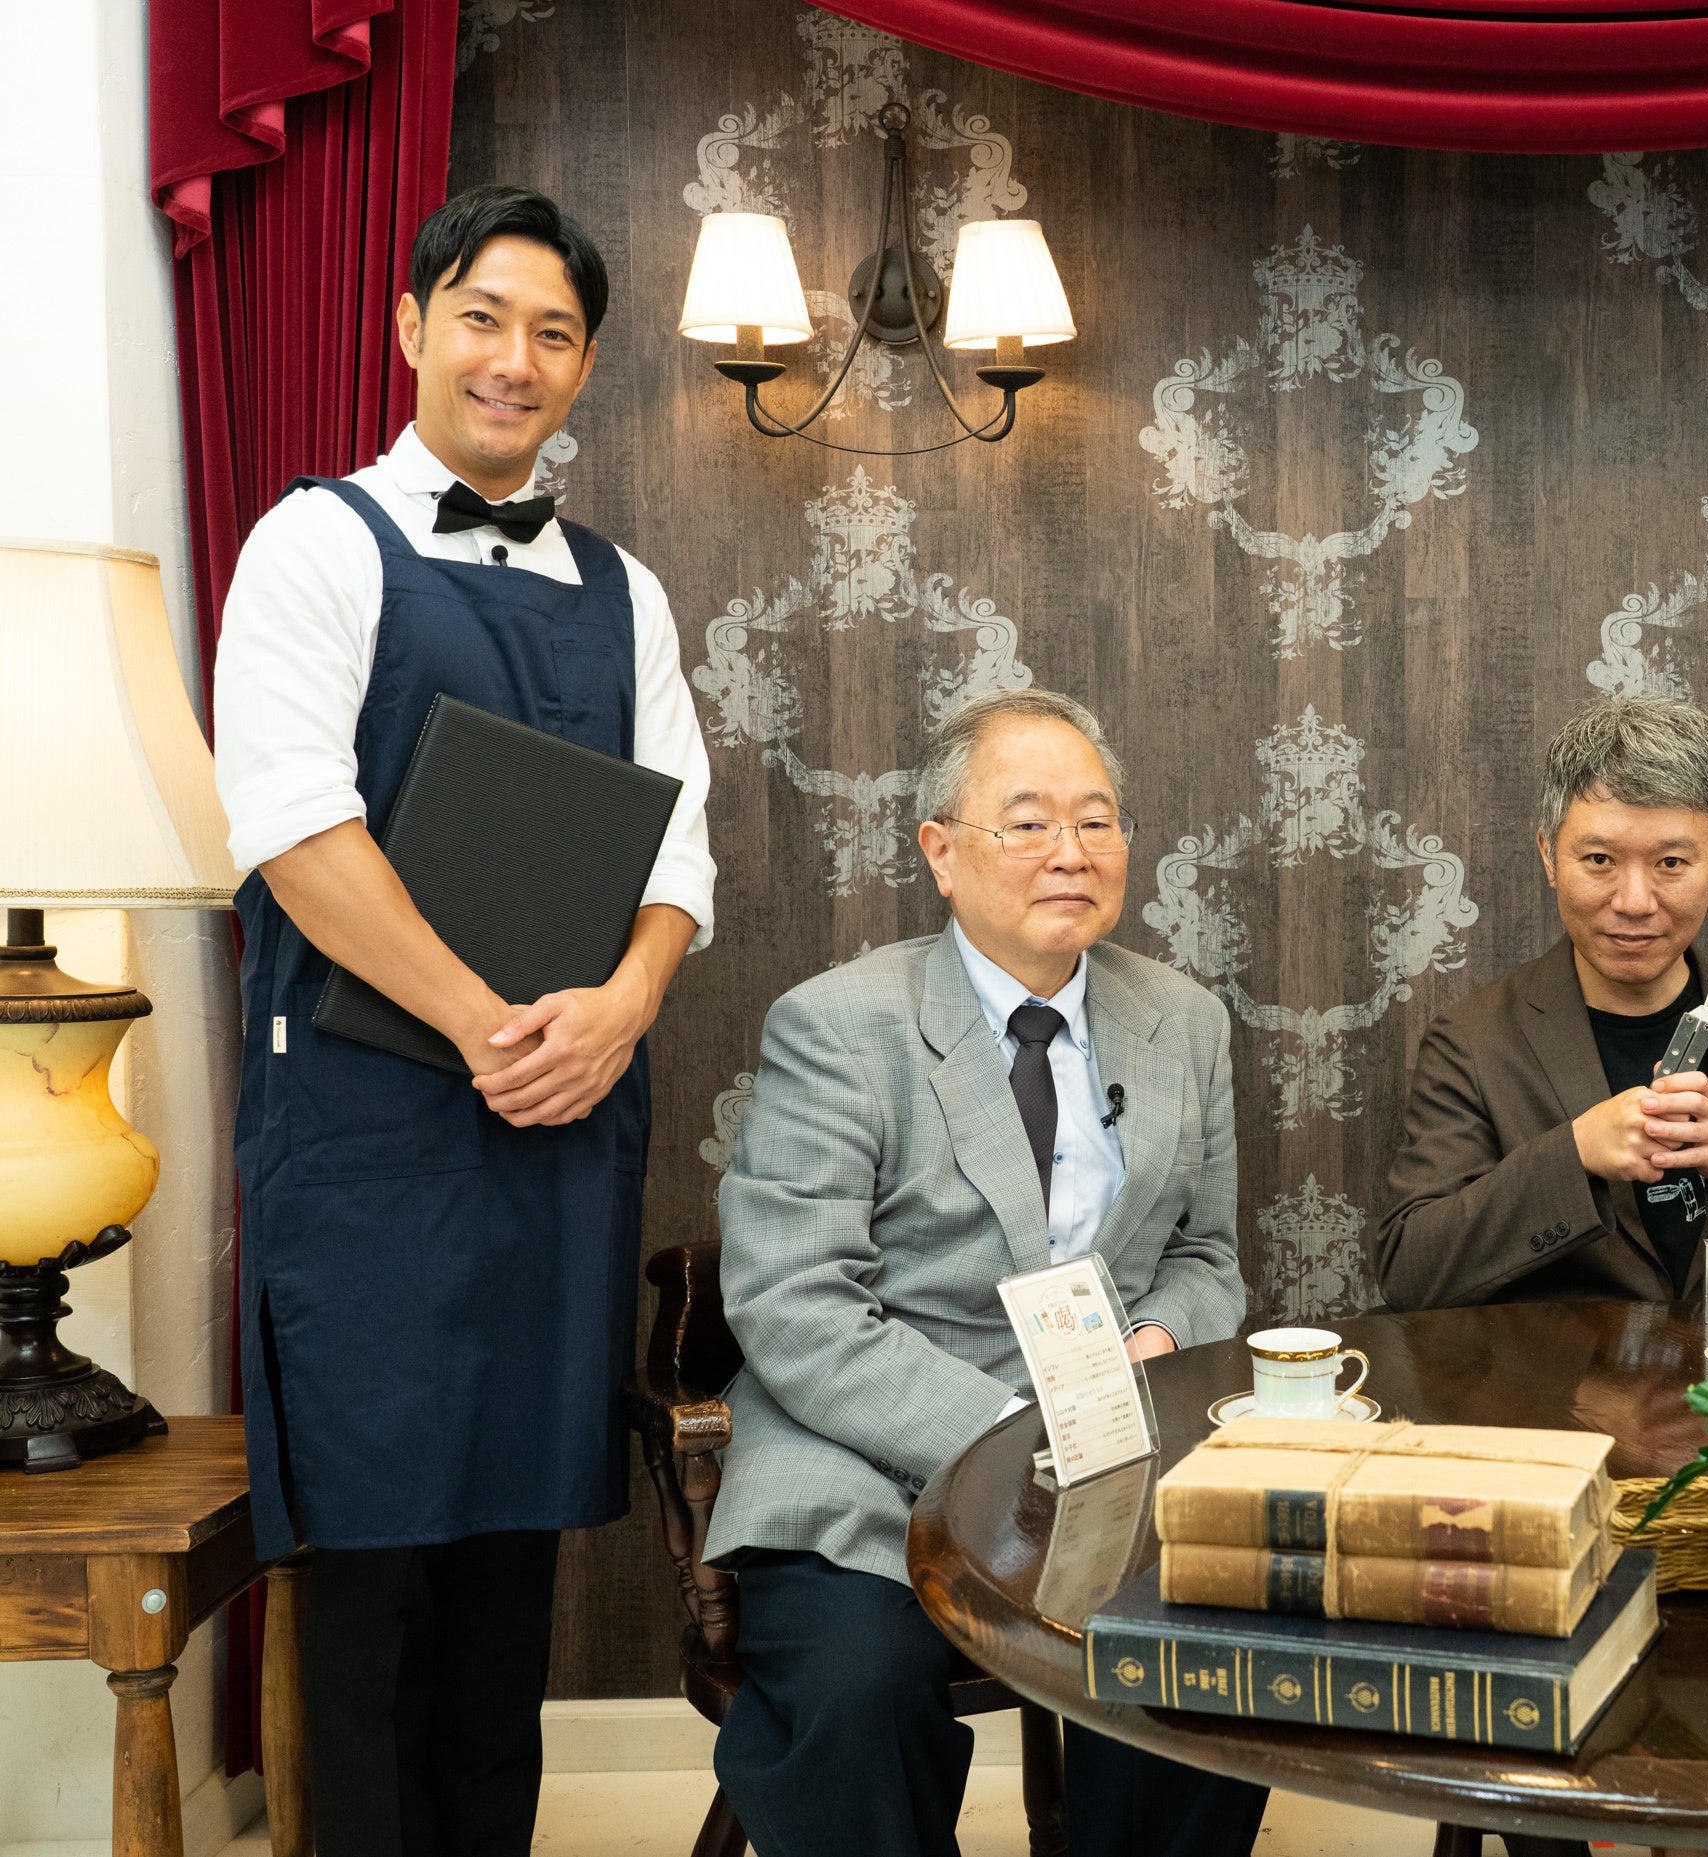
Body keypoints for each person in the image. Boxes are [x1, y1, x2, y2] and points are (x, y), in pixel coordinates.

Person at [213, 186, 716, 1853]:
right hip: (367, 1148)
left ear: (585, 367)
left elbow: (679, 853)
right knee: (369, 1577)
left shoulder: (626, 590)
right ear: (412, 326)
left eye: (554, 333)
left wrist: (624, 1007)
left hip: (555, 1140)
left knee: (509, 1580)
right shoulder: (311, 544)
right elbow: (297, 832)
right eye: (484, 318)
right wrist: (493, 1024)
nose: (515, 360)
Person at [704, 689, 1267, 1857]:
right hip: (869, 1464)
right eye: (1028, 822)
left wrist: (1160, 1341)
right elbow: (796, 1304)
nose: (1071, 851)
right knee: (856, 1690)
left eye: (1097, 821)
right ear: (942, 852)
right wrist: (1011, 1436)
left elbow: (1206, 1255)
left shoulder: (1184, 1021)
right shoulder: (838, 1025)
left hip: (1117, 1457)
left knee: (1216, 1653)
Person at [1370, 694, 1708, 1311]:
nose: (1633, 902)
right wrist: (1574, 1153)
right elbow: (1411, 1270)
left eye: (1671, 862)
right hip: (1556, 1373)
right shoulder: (1472, 1038)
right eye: (1599, 859)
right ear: (1548, 855)